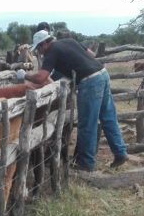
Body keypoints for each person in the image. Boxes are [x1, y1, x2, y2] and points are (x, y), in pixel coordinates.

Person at [18, 29, 128, 171]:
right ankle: (120, 152)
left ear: (46, 42)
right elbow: (91, 55)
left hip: (90, 81)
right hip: (102, 74)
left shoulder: (52, 51)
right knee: (108, 117)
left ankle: (86, 163)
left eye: (39, 47)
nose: (39, 51)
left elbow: (41, 78)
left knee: (87, 123)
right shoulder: (69, 41)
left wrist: (25, 76)